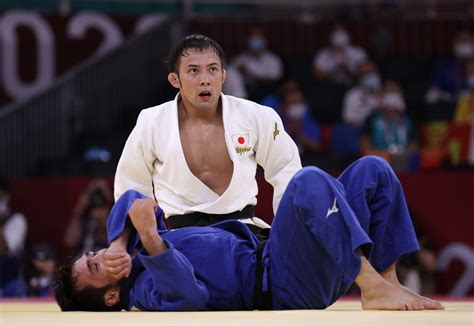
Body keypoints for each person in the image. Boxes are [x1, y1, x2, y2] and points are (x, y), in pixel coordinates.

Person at [53, 156, 444, 312]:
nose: (100, 256)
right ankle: (370, 284)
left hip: (282, 255)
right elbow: (190, 298)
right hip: (282, 283)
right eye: (95, 266)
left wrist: (122, 240)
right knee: (307, 182)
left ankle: (389, 282)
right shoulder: (143, 292)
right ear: (109, 296)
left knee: (373, 170)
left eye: (94, 254)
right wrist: (152, 241)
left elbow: (133, 201)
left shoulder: (134, 252)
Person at [114, 34, 302, 230]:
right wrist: (144, 241)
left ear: (223, 75)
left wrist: (287, 231)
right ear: (174, 80)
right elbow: (131, 186)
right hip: (181, 241)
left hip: (244, 234)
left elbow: (286, 170)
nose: (205, 79)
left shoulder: (257, 116)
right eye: (193, 71)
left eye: (212, 69)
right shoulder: (151, 122)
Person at [230, 28, 284, 101]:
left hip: (266, 93)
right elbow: (231, 76)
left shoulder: (273, 59)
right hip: (245, 94)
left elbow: (274, 79)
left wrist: (250, 74)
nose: (255, 40)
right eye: (253, 37)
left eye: (258, 37)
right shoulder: (240, 59)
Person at [64, 178, 113, 256]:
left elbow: (113, 241)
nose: (97, 211)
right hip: (84, 260)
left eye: (101, 207)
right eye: (94, 207)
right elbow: (70, 241)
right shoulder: (84, 220)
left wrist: (110, 203)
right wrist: (79, 209)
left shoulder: (111, 222)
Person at [425, 30, 474, 104]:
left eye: (467, 41)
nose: (464, 44)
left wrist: (471, 76)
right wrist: (444, 96)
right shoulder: (445, 66)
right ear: (454, 44)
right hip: (450, 106)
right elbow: (432, 93)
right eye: (460, 41)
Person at [0, 177, 28, 297]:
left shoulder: (17, 220)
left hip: (7, 284)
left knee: (18, 288)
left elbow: (4, 251)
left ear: (7, 196)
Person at [342, 61, 383, 126]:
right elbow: (348, 119)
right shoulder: (352, 95)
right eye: (366, 73)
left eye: (372, 72)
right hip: (361, 131)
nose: (370, 76)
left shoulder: (386, 91)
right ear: (359, 77)